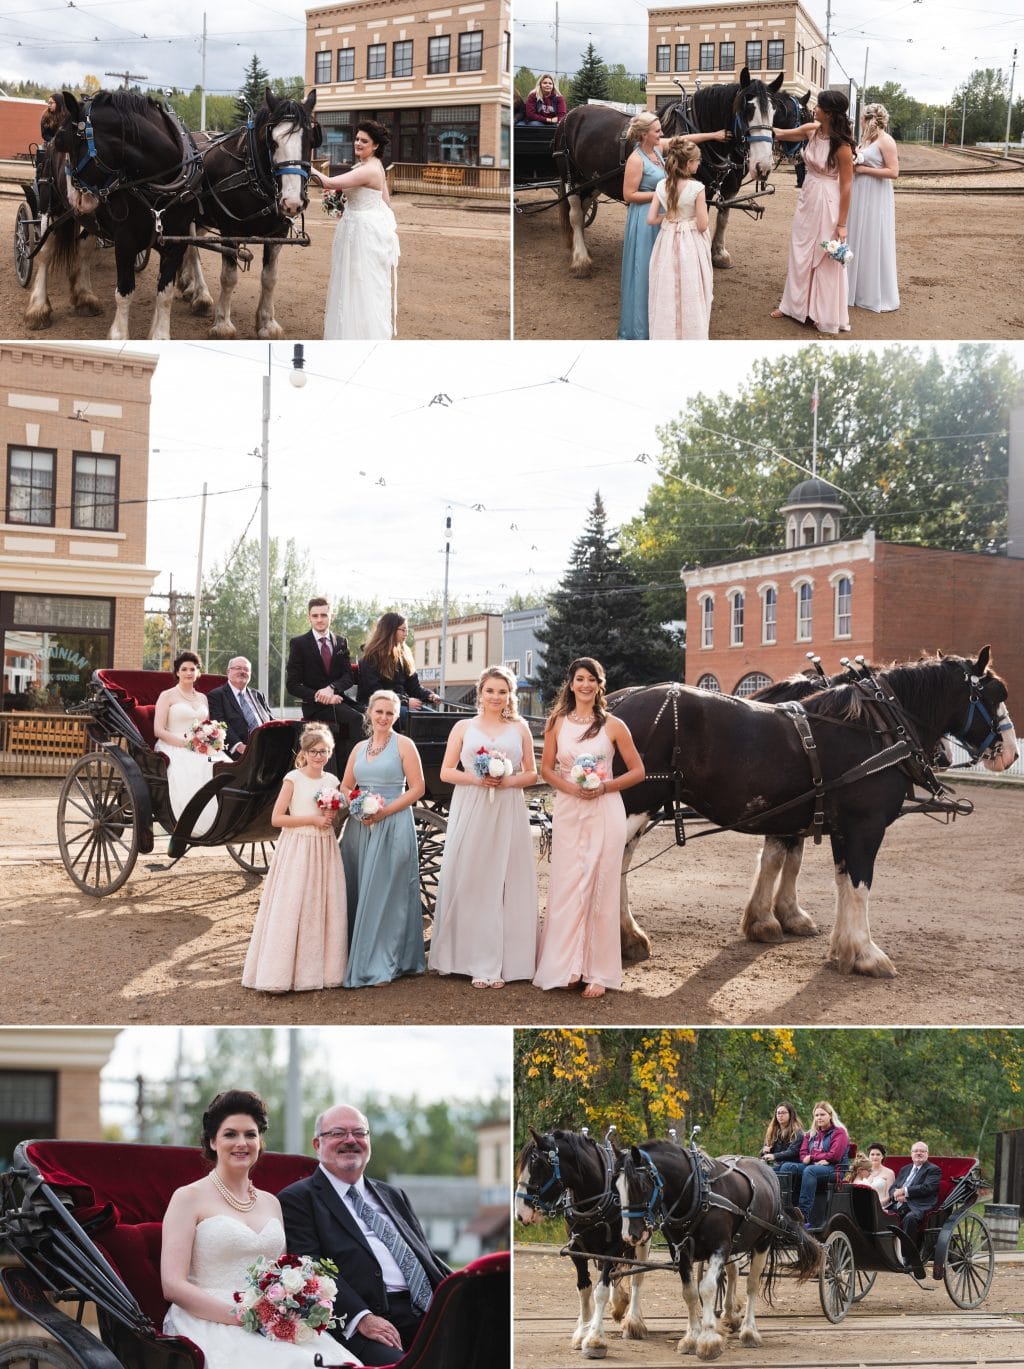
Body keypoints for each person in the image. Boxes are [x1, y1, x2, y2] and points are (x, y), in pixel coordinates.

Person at [162, 1090, 358, 1368]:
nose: (242, 1143)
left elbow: (283, 1271)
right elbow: (173, 1286)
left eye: (250, 1134)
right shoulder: (188, 1198)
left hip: (271, 1319)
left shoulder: (271, 1202)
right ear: (212, 1141)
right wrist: (244, 1316)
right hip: (207, 1319)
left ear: (259, 1141)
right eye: (230, 1134)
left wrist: (295, 1302)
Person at [279, 1102, 450, 1366]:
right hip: (368, 1321)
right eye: (338, 1133)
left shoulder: (394, 1195)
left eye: (359, 1133)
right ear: (317, 1144)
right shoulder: (298, 1199)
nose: (350, 1140)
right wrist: (361, 1318)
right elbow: (310, 1269)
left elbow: (425, 1256)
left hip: (432, 1312)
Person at [533, 657, 645, 998]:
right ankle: (567, 966)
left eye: (591, 679)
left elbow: (637, 771)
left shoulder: (613, 725)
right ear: (570, 684)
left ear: (600, 684)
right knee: (567, 886)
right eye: (579, 679)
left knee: (600, 888)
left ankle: (598, 972)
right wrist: (571, 788)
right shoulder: (556, 722)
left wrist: (604, 787)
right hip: (569, 808)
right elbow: (547, 769)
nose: (585, 684)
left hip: (604, 809)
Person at [428, 665, 539, 988]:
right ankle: (468, 959)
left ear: (510, 695)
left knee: (505, 879)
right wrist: (478, 778)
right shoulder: (464, 726)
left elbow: (532, 773)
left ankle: (506, 961)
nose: (496, 697)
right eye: (490, 690)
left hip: (507, 806)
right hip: (472, 805)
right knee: (472, 876)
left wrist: (507, 781)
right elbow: (447, 771)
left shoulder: (520, 728)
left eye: (502, 691)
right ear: (480, 692)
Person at [241, 725, 347, 994]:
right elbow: (277, 818)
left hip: (324, 847)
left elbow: (333, 818)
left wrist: (330, 817)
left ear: (330, 751)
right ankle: (280, 972)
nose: (319, 756)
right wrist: (311, 819)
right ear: (304, 752)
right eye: (313, 751)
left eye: (324, 751)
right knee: (293, 903)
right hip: (298, 846)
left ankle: (323, 971)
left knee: (321, 903)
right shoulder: (293, 779)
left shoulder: (332, 782)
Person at [339, 690, 426, 987]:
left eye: (390, 713)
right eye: (379, 712)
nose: (384, 718)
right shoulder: (359, 748)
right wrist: (358, 806)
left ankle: (384, 961)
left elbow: (417, 789)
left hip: (393, 823)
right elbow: (346, 785)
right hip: (360, 826)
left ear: (397, 716)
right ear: (369, 713)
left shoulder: (405, 745)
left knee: (387, 893)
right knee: (361, 887)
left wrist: (384, 810)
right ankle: (357, 953)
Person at [617, 112, 727, 340]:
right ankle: (641, 329)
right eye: (657, 130)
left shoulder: (658, 149)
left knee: (665, 272)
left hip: (666, 215)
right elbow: (628, 195)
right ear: (644, 134)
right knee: (645, 272)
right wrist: (665, 194)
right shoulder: (636, 159)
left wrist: (713, 136)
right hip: (644, 220)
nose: (661, 133)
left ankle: (667, 323)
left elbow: (685, 141)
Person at [771, 89, 855, 336]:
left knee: (824, 255)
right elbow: (781, 134)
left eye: (818, 107)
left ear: (828, 113)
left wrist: (842, 224)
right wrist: (758, 128)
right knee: (800, 250)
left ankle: (821, 312)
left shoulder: (842, 147)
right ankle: (792, 306)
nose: (814, 109)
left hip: (827, 201)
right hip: (807, 197)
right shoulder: (811, 130)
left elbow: (847, 186)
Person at [315, 119, 399, 340]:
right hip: (361, 228)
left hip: (360, 234)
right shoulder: (374, 167)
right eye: (357, 139)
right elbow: (385, 202)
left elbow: (328, 182)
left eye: (364, 140)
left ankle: (357, 335)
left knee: (358, 283)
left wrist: (300, 165)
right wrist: (343, 206)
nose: (357, 143)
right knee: (357, 281)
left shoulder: (369, 170)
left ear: (376, 145)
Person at [646, 136, 713, 340]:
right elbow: (702, 225)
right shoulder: (697, 188)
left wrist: (669, 216)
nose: (699, 164)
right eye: (698, 161)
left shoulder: (660, 185)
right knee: (692, 285)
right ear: (688, 163)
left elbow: (650, 219)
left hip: (667, 241)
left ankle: (666, 332)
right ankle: (692, 332)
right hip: (690, 243)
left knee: (667, 286)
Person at [154, 650, 223, 838]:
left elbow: (205, 726)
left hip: (199, 745)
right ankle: (193, 822)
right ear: (177, 672)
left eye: (192, 669)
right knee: (195, 767)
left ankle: (224, 818)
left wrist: (211, 738)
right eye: (184, 669)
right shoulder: (167, 696)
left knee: (218, 762)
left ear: (198, 672)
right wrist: (184, 744)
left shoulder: (202, 698)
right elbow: (158, 730)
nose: (188, 673)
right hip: (172, 744)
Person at [286, 597, 356, 771]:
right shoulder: (299, 644)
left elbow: (348, 677)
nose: (319, 619)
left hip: (339, 700)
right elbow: (292, 684)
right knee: (358, 719)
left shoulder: (341, 642)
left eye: (323, 615)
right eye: (315, 615)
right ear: (309, 617)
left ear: (331, 616)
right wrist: (320, 695)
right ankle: (353, 773)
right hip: (315, 706)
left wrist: (332, 689)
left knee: (370, 715)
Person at [846, 102, 900, 313]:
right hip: (860, 195)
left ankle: (873, 292)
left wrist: (863, 170)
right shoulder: (867, 140)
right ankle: (856, 288)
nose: (860, 122)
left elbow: (893, 172)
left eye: (861, 119)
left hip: (876, 195)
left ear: (868, 120)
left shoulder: (887, 141)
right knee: (858, 236)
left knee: (872, 237)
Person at [775, 1101, 850, 1222]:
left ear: (830, 1115)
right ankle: (784, 1206)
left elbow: (834, 1156)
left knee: (810, 1171)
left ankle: (803, 1215)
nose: (819, 1118)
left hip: (834, 1169)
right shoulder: (811, 1134)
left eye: (822, 1114)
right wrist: (819, 1158)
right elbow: (803, 1155)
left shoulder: (839, 1132)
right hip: (815, 1166)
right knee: (787, 1166)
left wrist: (813, 1157)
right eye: (816, 1115)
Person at [357, 613, 440, 713]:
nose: (406, 633)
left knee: (436, 718)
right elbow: (375, 691)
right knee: (415, 719)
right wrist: (405, 701)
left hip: (402, 705)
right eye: (403, 630)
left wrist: (429, 695)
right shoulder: (370, 657)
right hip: (378, 706)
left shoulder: (404, 655)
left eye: (407, 630)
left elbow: (414, 687)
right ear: (390, 630)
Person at [207, 656, 273, 758]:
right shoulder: (216, 695)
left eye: (246, 669)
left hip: (266, 749)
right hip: (238, 754)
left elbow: (271, 720)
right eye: (238, 668)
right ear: (228, 672)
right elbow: (219, 723)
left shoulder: (258, 695)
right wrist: (239, 746)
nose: (242, 671)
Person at [892, 1141, 941, 1250]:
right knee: (882, 1215)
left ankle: (909, 1256)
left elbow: (927, 1188)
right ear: (911, 1154)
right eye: (916, 1151)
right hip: (898, 1204)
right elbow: (894, 1187)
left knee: (909, 1219)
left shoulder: (933, 1170)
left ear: (927, 1154)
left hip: (920, 1205)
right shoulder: (905, 1169)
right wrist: (895, 1195)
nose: (919, 1153)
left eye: (922, 1151)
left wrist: (905, 1191)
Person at [760, 1102, 805, 1166]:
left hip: (791, 1164)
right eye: (778, 1113)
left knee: (783, 1167)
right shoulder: (772, 1132)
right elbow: (763, 1153)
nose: (780, 1115)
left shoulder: (797, 1133)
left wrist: (774, 1156)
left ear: (790, 1114)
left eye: (783, 1113)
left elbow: (792, 1152)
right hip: (775, 1164)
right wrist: (764, 1151)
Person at [863, 1142, 897, 1206]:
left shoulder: (889, 1173)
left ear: (882, 1156)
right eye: (872, 1154)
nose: (875, 1157)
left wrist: (875, 1205)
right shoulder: (863, 1172)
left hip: (881, 1207)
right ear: (868, 1157)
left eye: (878, 1154)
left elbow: (889, 1197)